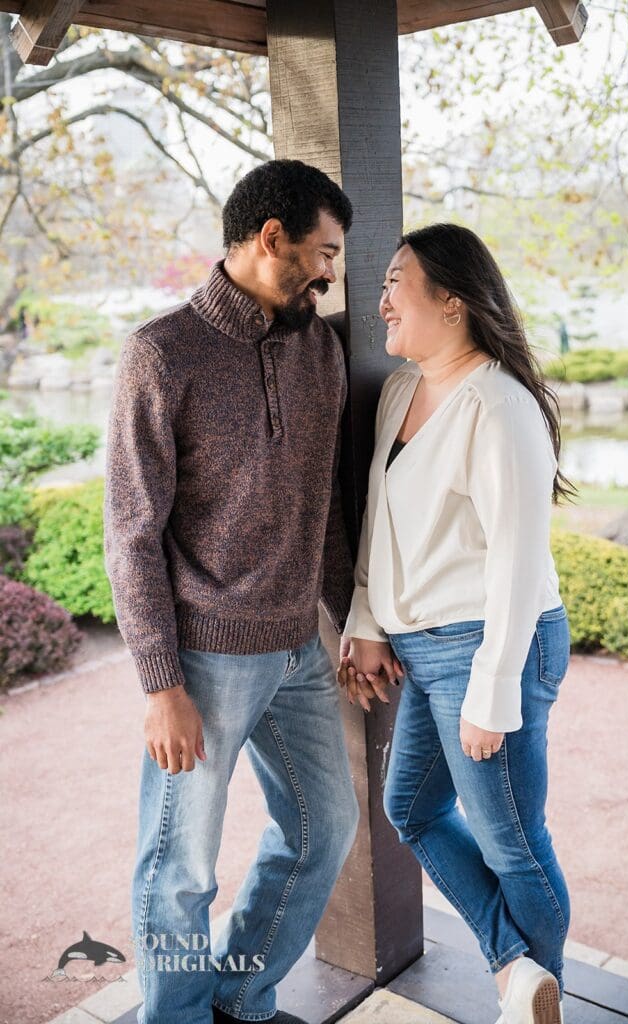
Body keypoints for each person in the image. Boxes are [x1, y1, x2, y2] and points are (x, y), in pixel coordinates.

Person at [104, 159, 360, 1024]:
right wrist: (160, 685)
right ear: (270, 238)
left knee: (324, 832)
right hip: (206, 659)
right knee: (179, 866)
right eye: (323, 252)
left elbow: (322, 507)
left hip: (297, 648)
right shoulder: (161, 353)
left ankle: (239, 994)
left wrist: (348, 623)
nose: (331, 272)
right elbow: (132, 531)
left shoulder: (317, 347)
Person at [338, 223, 574, 1024]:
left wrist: (493, 690)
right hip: (423, 645)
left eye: (395, 282)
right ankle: (519, 972)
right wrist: (368, 616)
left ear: (453, 301)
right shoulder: (404, 391)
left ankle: (535, 997)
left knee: (511, 841)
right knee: (412, 810)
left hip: (488, 645)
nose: (378, 302)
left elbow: (515, 556)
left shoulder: (498, 405)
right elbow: (378, 517)